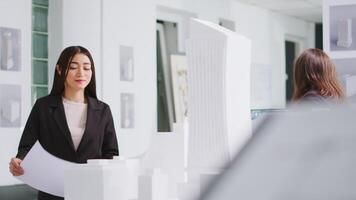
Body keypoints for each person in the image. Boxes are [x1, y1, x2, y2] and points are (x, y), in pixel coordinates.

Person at [8, 46, 119, 200]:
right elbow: (27, 147)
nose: (81, 73)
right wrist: (19, 162)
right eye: (73, 67)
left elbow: (111, 154)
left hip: (92, 193)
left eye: (87, 68)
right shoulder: (43, 107)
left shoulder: (103, 110)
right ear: (59, 70)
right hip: (52, 193)